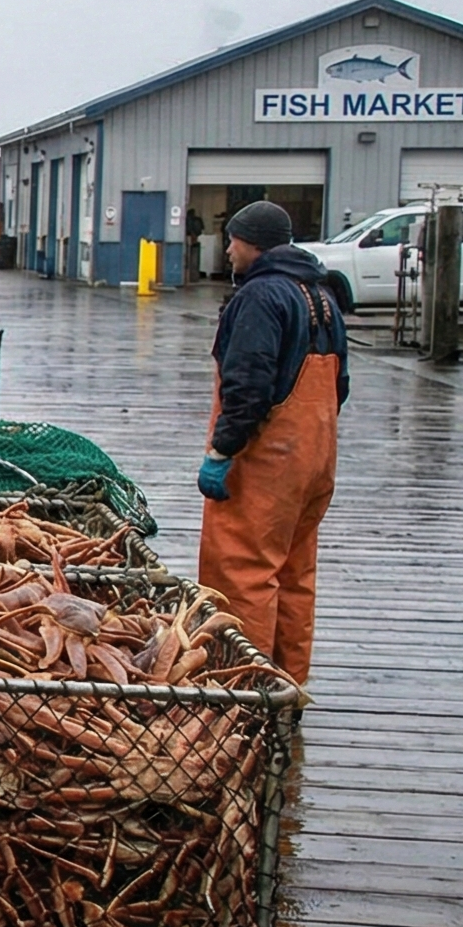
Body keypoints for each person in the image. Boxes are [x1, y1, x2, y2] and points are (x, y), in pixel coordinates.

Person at [197, 199, 347, 683]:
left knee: (242, 573)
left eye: (233, 241)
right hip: (316, 458)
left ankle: (243, 692)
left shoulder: (261, 297)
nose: (229, 251)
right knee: (296, 575)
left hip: (266, 462)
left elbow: (248, 386)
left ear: (252, 243)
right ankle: (287, 686)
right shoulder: (320, 296)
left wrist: (223, 450)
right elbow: (339, 385)